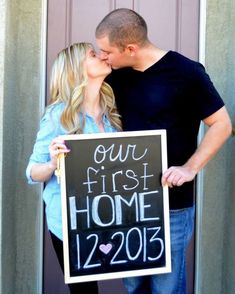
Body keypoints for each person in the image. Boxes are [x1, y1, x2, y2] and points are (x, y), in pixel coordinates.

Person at [95, 8, 232, 294]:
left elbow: (221, 124)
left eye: (107, 51)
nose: (103, 56)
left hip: (172, 204)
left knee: (166, 288)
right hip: (128, 204)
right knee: (134, 285)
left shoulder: (186, 72)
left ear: (130, 48)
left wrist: (190, 168)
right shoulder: (115, 77)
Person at [26, 42, 122, 293]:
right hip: (69, 224)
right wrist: (52, 162)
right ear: (76, 69)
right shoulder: (59, 115)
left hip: (107, 217)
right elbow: (32, 171)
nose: (102, 56)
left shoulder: (111, 112)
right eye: (93, 54)